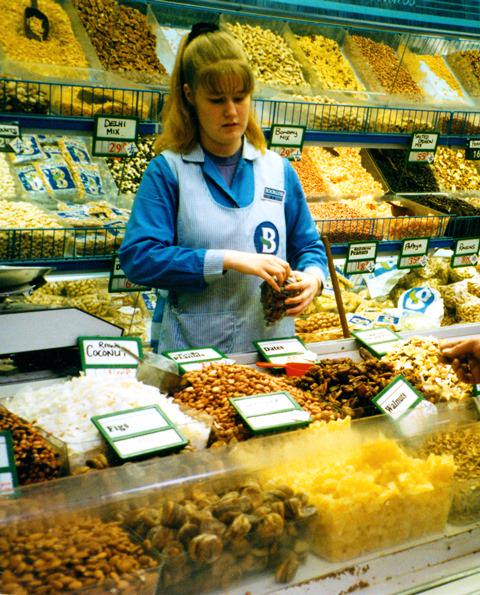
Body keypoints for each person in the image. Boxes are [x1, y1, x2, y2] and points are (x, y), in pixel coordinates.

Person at [119, 22, 328, 354]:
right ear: (190, 96)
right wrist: (226, 259)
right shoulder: (169, 171)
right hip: (194, 355)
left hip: (272, 354)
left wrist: (313, 279)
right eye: (216, 100)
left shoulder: (278, 170)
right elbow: (139, 257)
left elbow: (309, 246)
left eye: (240, 97)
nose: (231, 112)